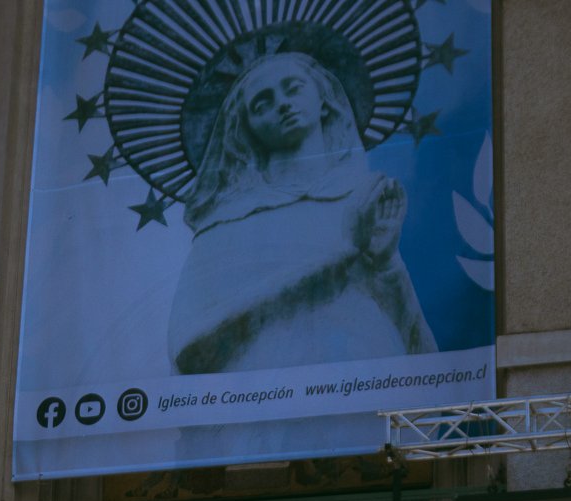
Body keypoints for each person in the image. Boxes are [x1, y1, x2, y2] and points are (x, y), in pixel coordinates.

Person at [169, 49, 436, 375]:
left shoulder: (367, 200)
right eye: (262, 104)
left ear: (324, 100)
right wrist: (332, 265)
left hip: (365, 382)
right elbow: (188, 348)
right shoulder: (227, 224)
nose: (282, 104)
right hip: (264, 389)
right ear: (245, 130)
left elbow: (423, 360)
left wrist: (387, 264)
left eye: (293, 88)